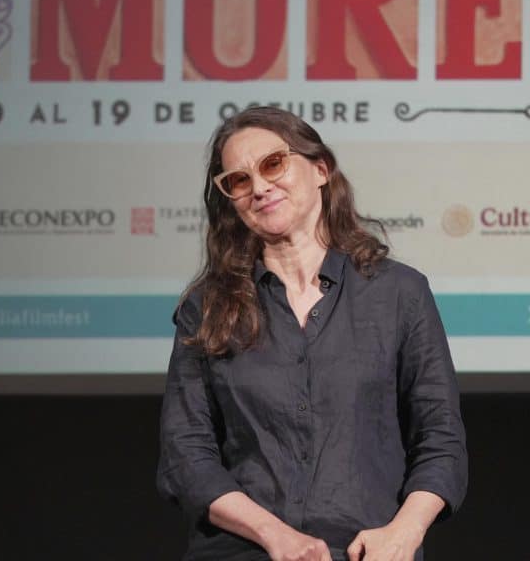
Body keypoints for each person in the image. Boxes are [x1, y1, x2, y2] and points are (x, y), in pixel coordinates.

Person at [157, 107, 467, 561]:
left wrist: (405, 532)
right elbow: (186, 456)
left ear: (320, 169)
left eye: (272, 164)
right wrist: (274, 535)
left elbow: (441, 439)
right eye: (239, 181)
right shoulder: (207, 307)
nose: (260, 187)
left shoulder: (400, 294)